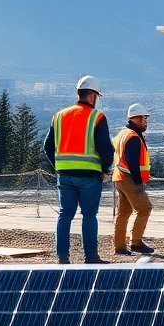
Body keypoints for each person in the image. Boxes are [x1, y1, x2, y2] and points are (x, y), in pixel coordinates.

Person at [45, 75, 115, 264]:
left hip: (65, 175)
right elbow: (106, 149)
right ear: (92, 95)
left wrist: (59, 166)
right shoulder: (97, 117)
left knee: (64, 214)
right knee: (89, 215)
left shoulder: (59, 116)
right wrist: (105, 169)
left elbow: (47, 147)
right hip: (90, 176)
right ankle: (91, 257)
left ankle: (62, 257)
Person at [112, 103, 154, 257]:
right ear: (135, 118)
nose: (145, 121)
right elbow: (132, 162)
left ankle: (120, 246)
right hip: (129, 178)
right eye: (144, 118)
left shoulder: (123, 133)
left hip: (119, 176)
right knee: (145, 208)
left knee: (124, 212)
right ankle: (136, 242)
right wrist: (138, 182)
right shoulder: (133, 137)